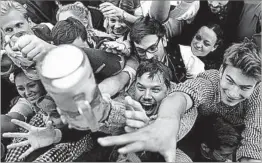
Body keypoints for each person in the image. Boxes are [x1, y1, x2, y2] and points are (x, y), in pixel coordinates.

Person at [97, 38, 262, 162]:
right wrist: (167, 121)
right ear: (221, 71)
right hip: (186, 132)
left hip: (227, 145)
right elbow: (183, 95)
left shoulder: (258, 95)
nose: (233, 93)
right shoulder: (210, 81)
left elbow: (253, 140)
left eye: (244, 88)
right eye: (230, 81)